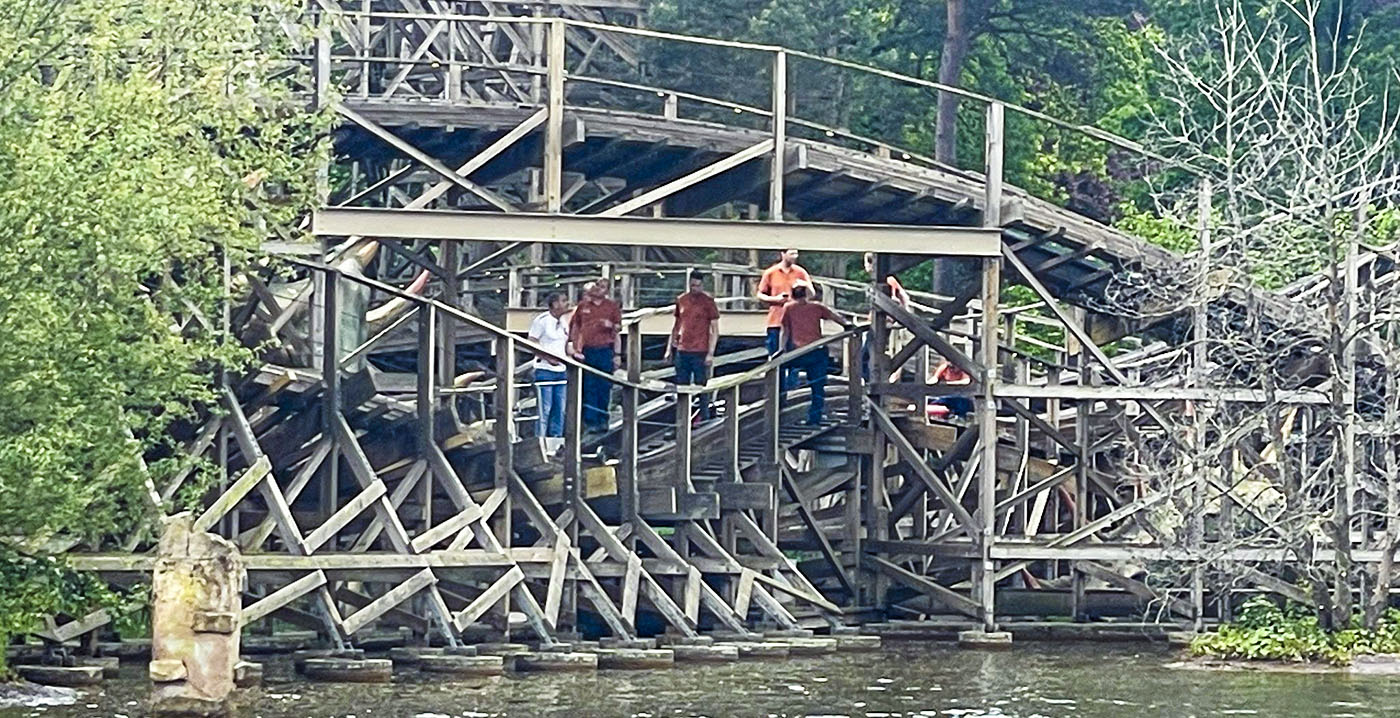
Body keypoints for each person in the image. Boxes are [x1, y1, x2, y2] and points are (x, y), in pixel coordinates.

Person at [779, 282, 853, 426]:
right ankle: (815, 418)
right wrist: (847, 324)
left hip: (799, 351)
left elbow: (785, 331)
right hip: (816, 350)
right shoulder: (816, 307)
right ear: (806, 294)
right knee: (817, 386)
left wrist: (781, 349)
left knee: (783, 372)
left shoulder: (788, 308)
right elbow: (835, 316)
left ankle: (781, 405)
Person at [567, 277, 623, 434]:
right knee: (589, 386)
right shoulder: (583, 306)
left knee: (604, 386)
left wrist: (610, 325)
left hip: (605, 349)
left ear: (608, 290)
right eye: (598, 286)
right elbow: (575, 327)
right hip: (587, 350)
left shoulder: (612, 307)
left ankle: (603, 420)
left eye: (604, 287)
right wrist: (575, 347)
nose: (600, 289)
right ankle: (590, 421)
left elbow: (619, 327)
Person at [664, 273, 721, 421]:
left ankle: (704, 414)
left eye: (697, 285)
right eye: (692, 285)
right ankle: (682, 417)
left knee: (701, 384)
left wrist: (710, 353)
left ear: (702, 285)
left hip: (700, 349)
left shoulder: (708, 302)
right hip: (682, 349)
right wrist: (669, 348)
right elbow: (676, 325)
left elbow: (715, 329)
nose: (695, 288)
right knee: (681, 385)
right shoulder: (682, 300)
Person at [757, 248, 810, 387]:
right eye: (792, 253)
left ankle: (793, 392)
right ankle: (777, 394)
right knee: (776, 357)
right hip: (776, 321)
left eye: (796, 253)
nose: (795, 256)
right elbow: (760, 294)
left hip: (796, 322)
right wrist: (775, 299)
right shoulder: (771, 273)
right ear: (783, 254)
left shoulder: (800, 272)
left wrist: (804, 285)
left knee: (795, 360)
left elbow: (812, 293)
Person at [527, 292, 570, 456]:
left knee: (560, 408)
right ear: (554, 304)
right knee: (544, 408)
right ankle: (540, 442)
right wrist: (547, 357)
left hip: (561, 370)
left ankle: (556, 442)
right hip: (545, 369)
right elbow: (532, 341)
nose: (566, 304)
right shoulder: (542, 321)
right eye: (563, 300)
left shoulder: (564, 322)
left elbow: (565, 343)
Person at [862, 251, 910, 382]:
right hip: (876, 320)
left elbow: (897, 298)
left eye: (866, 263)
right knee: (867, 351)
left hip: (883, 321)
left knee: (869, 352)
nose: (865, 267)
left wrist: (901, 314)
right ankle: (869, 378)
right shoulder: (882, 279)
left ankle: (871, 380)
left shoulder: (887, 280)